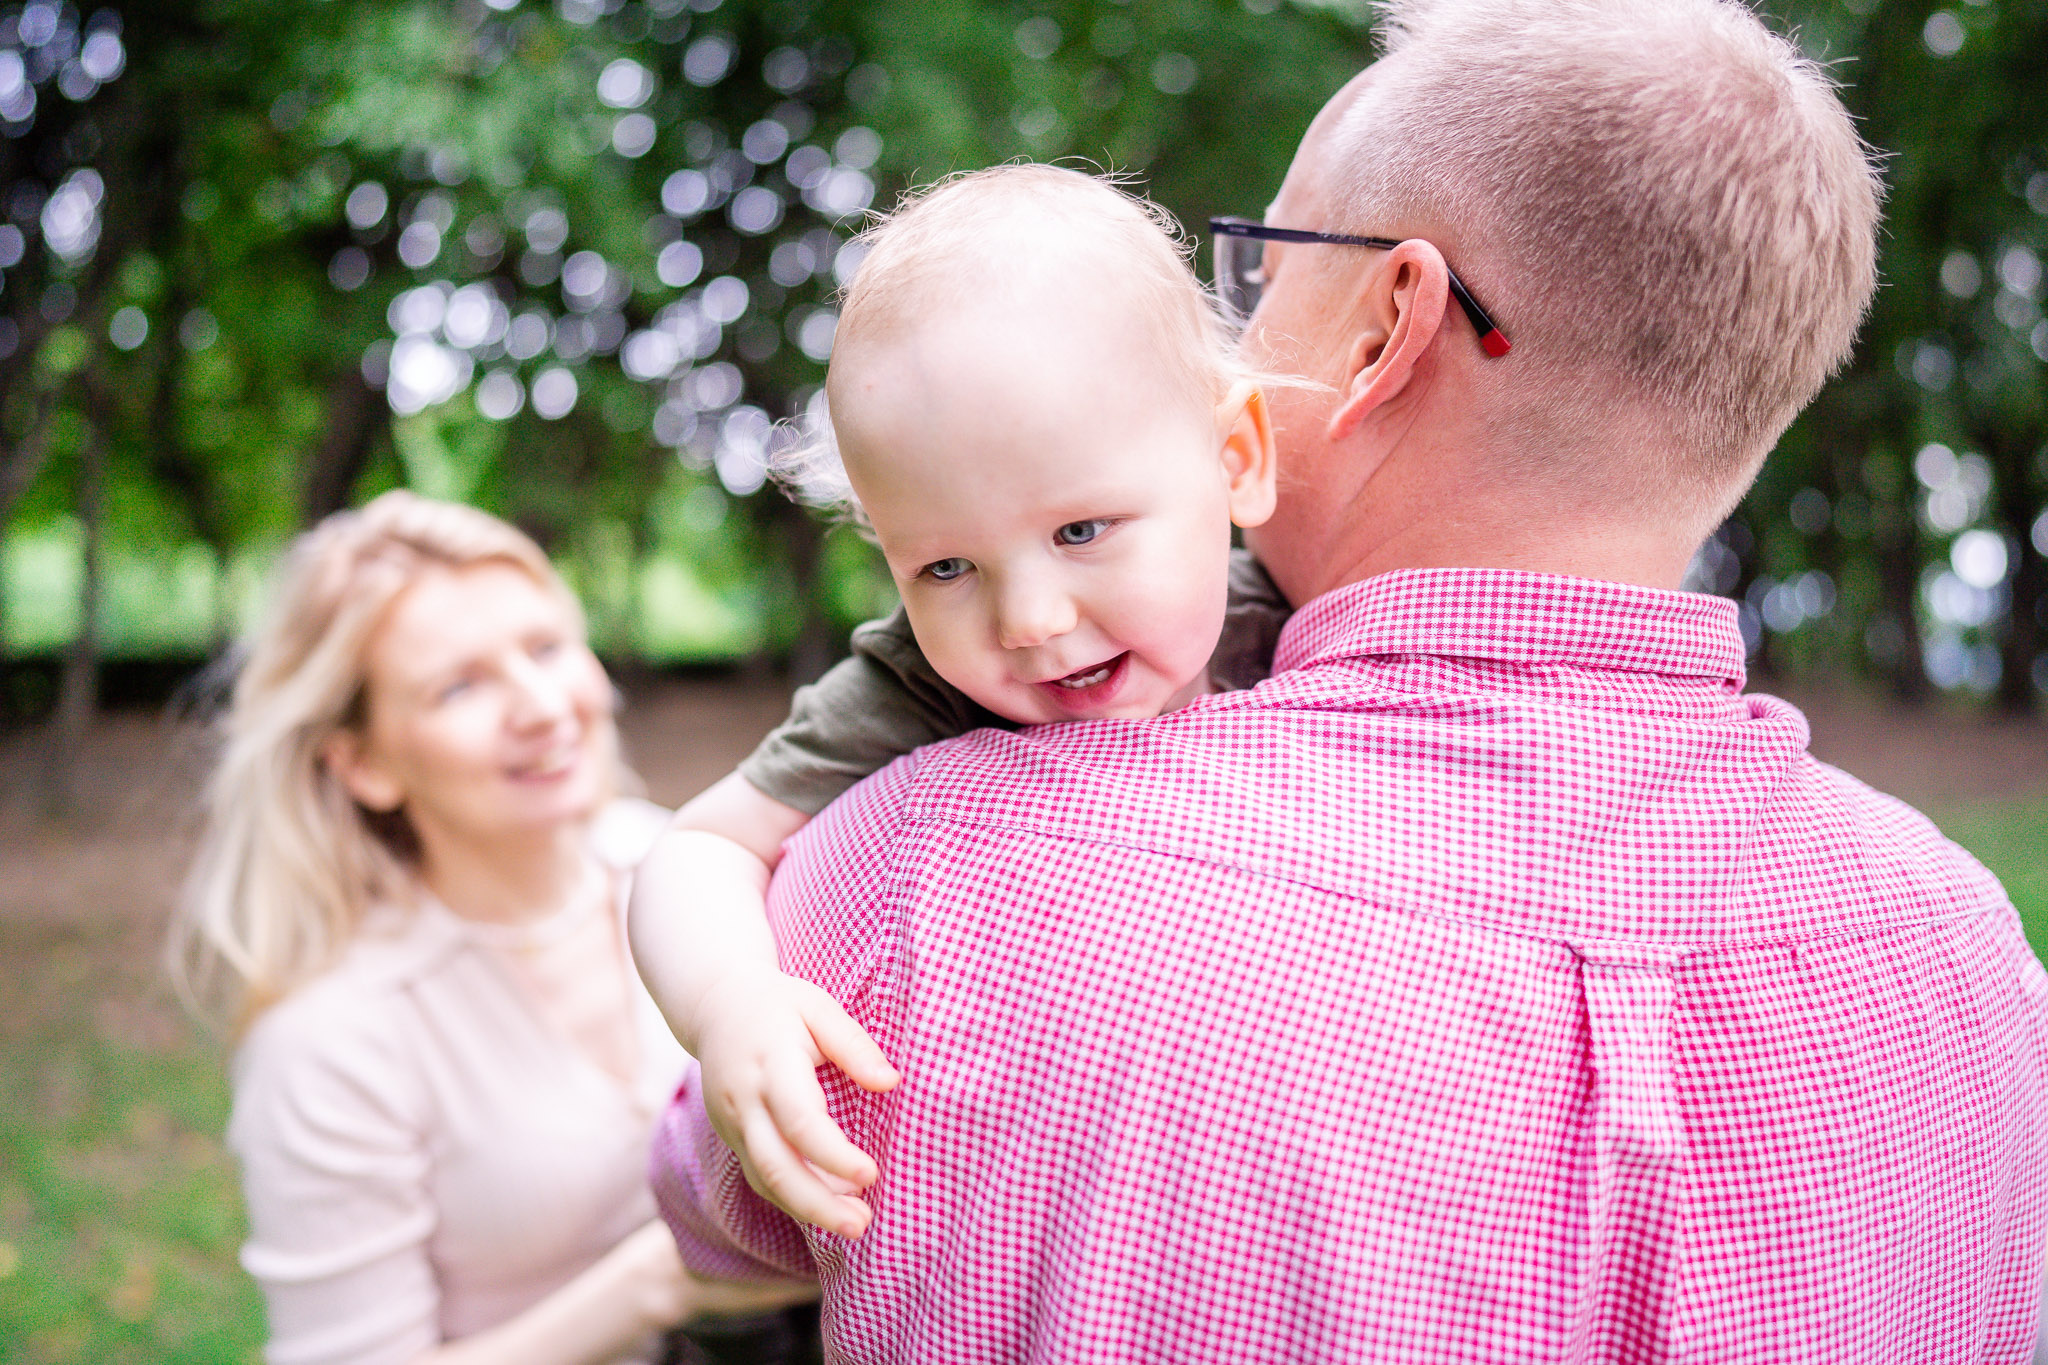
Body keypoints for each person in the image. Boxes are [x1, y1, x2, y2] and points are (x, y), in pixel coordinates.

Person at [648, 1, 2048, 1361]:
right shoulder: (1979, 966)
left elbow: (714, 1203)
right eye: (946, 564)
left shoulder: (922, 865)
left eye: (1262, 269)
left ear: (1385, 327)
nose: (1031, 619)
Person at [626, 163, 1291, 1241]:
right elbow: (699, 847)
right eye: (944, 568)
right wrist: (727, 1001)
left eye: (1080, 530)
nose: (1027, 618)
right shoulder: (916, 687)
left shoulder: (1306, 629)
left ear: (1236, 460)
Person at [169, 491, 813, 1365]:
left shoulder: (691, 866)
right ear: (363, 764)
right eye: (459, 685)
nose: (543, 706)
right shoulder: (330, 1035)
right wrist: (658, 1283)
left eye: (546, 647)